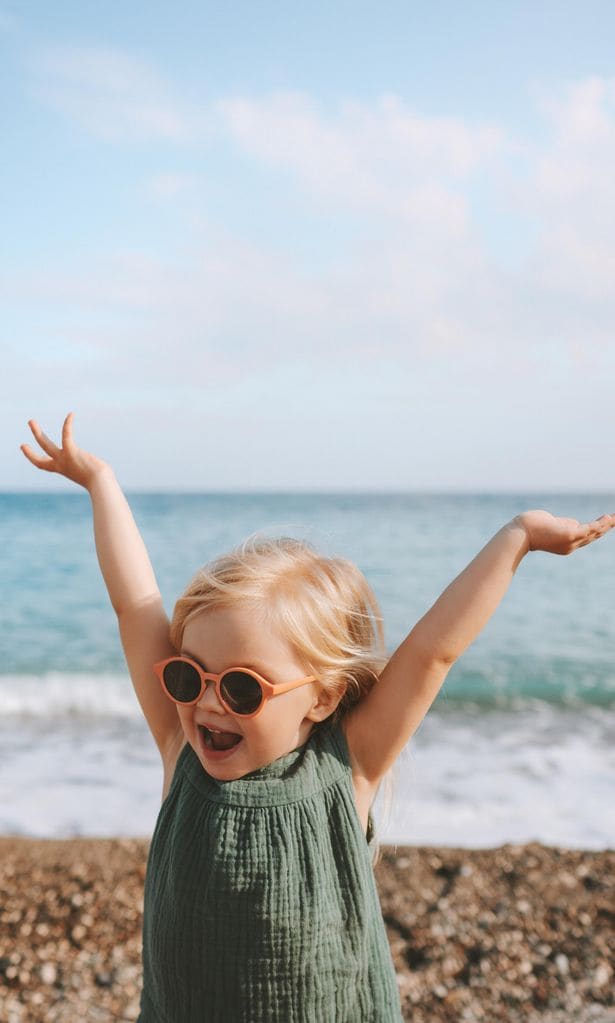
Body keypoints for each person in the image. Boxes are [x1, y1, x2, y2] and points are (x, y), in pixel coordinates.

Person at [20, 413, 615, 1023]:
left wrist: (517, 537)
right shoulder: (181, 747)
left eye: (244, 688)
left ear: (324, 697)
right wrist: (101, 483)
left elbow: (434, 651)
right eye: (187, 674)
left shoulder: (346, 769)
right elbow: (134, 604)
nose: (205, 702)